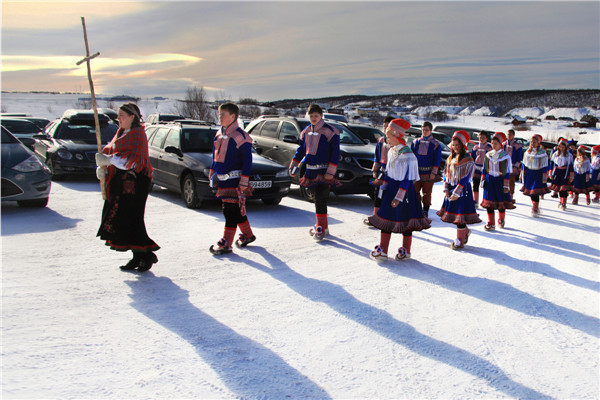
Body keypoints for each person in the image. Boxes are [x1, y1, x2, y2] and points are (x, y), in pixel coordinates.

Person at [95, 103, 159, 272]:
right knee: (122, 220)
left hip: (136, 184)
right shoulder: (121, 133)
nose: (118, 118)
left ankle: (146, 255)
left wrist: (109, 161)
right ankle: (137, 256)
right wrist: (103, 168)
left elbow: (134, 161)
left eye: (122, 115)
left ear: (132, 117)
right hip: (120, 183)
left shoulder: (138, 135)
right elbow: (111, 152)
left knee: (133, 219)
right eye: (118, 115)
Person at [368, 118, 431, 261]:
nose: (387, 139)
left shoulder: (408, 156)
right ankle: (383, 250)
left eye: (389, 136)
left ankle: (406, 250)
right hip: (391, 190)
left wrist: (399, 197)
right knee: (385, 218)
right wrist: (382, 184)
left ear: (397, 135)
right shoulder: (392, 151)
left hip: (404, 192)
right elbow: (389, 173)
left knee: (406, 221)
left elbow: (408, 179)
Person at [208, 102, 255, 255]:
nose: (220, 117)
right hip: (223, 180)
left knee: (229, 211)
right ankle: (248, 235)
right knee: (234, 211)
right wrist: (213, 170)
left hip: (235, 181)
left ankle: (226, 242)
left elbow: (248, 160)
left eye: (223, 114)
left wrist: (244, 181)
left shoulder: (241, 137)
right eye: (219, 114)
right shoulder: (219, 134)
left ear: (233, 116)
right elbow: (216, 156)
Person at [289, 104, 340, 240]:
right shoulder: (305, 132)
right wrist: (294, 163)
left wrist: (331, 170)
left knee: (320, 199)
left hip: (324, 171)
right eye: (311, 116)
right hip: (311, 171)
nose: (313, 118)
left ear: (321, 116)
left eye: (316, 116)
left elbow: (335, 153)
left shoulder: (330, 131)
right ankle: (324, 227)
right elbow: (301, 150)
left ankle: (320, 228)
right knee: (316, 199)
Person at [437, 131, 482, 250]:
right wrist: (446, 188)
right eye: (453, 144)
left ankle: (460, 241)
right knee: (455, 216)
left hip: (462, 190)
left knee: (460, 217)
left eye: (458, 145)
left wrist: (457, 192)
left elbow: (466, 177)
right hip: (451, 188)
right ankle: (465, 232)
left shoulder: (468, 159)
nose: (455, 147)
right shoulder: (450, 158)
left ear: (463, 145)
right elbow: (446, 175)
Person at [480, 132, 516, 230]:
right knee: (489, 203)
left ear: (500, 144)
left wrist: (505, 186)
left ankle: (501, 220)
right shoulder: (488, 155)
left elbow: (507, 172)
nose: (493, 145)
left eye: (495, 143)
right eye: (492, 143)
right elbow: (484, 169)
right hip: (490, 180)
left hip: (500, 181)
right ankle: (491, 222)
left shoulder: (505, 156)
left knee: (501, 202)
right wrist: (482, 180)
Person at [364, 116, 393, 226]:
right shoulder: (381, 140)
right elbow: (376, 157)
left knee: (389, 194)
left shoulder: (397, 141)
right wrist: (375, 170)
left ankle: (388, 218)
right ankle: (376, 217)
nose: (385, 129)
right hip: (382, 171)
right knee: (377, 193)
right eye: (384, 127)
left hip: (393, 173)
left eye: (388, 127)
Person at [411, 121, 442, 218]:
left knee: (427, 193)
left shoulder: (435, 144)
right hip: (416, 172)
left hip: (428, 173)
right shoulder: (415, 142)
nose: (424, 132)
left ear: (431, 130)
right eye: (423, 130)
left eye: (427, 130)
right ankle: (418, 209)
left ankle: (425, 211)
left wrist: (434, 172)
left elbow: (437, 159)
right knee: (415, 192)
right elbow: (411, 156)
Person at [520, 134, 551, 217]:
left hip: (538, 173)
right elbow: (524, 164)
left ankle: (535, 207)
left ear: (538, 143)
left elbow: (545, 165)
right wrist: (522, 173)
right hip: (530, 173)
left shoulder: (542, 152)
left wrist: (545, 175)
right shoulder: (527, 152)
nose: (532, 143)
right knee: (531, 191)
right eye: (531, 142)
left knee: (535, 191)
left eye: (534, 142)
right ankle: (534, 205)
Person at [548, 138, 574, 211]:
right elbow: (552, 164)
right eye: (560, 147)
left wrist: (571, 175)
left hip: (565, 173)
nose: (562, 148)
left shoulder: (569, 155)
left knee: (564, 189)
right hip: (557, 172)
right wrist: (551, 173)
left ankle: (564, 203)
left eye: (563, 147)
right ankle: (560, 201)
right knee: (559, 188)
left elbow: (571, 166)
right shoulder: (555, 154)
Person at [470, 131, 493, 208]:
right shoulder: (475, 147)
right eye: (480, 137)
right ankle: (475, 201)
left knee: (485, 185)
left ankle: (485, 201)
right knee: (475, 185)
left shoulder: (489, 148)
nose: (481, 139)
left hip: (486, 169)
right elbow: (472, 158)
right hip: (476, 168)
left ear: (486, 138)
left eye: (483, 138)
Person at [503, 129, 523, 203]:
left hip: (513, 165)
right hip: (504, 165)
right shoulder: (503, 144)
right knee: (504, 181)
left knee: (511, 181)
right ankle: (505, 195)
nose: (509, 136)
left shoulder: (517, 145)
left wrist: (517, 165)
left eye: (510, 134)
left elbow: (519, 157)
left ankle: (511, 196)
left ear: (513, 135)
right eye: (508, 134)